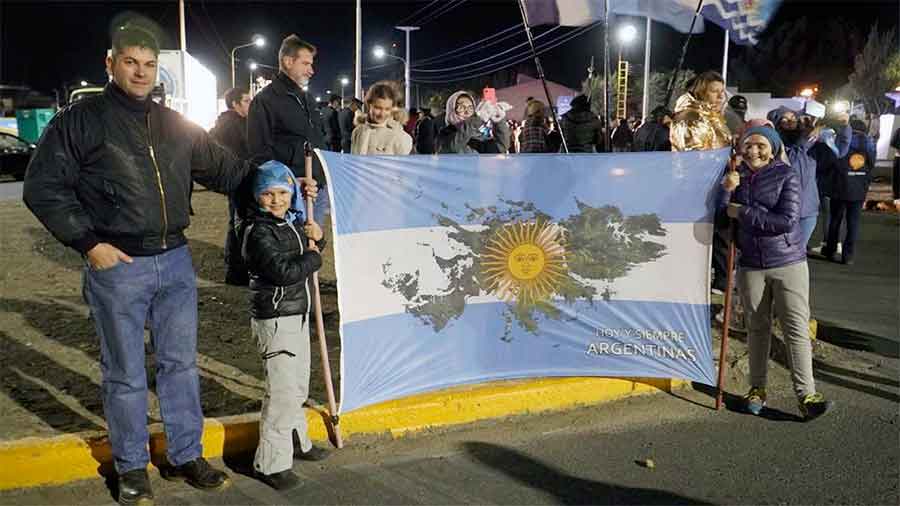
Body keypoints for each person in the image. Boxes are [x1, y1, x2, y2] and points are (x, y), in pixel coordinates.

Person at [21, 25, 303, 505]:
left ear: (157, 71)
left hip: (175, 261)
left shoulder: (175, 125)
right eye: (131, 62)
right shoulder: (80, 121)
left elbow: (230, 172)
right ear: (111, 64)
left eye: (149, 65)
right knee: (125, 373)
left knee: (180, 366)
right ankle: (131, 467)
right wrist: (89, 244)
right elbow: (42, 187)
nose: (140, 72)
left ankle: (185, 454)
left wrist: (283, 183)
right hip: (118, 266)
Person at [719, 125, 831, 421]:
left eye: (761, 145)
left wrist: (741, 212)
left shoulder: (786, 175)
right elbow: (720, 218)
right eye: (748, 145)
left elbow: (786, 221)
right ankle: (756, 389)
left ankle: (807, 394)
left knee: (795, 329)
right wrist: (725, 192)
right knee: (756, 329)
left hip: (788, 263)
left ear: (773, 148)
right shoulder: (734, 176)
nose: (754, 151)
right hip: (751, 266)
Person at [242, 160, 329, 490]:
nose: (276, 199)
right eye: (268, 193)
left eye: (282, 192)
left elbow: (304, 251)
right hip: (277, 320)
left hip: (298, 314)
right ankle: (270, 463)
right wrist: (315, 258)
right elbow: (284, 271)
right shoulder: (258, 231)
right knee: (280, 392)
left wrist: (317, 239)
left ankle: (296, 440)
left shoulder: (290, 222)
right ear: (257, 196)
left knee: (298, 387)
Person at [248, 34, 329, 222]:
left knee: (313, 245)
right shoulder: (265, 100)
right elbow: (260, 153)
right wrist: (288, 183)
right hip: (291, 194)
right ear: (288, 61)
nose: (312, 71)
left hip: (316, 189)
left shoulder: (306, 98)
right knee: (291, 246)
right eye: (306, 64)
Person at [210, 87, 252, 286]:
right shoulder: (235, 125)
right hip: (240, 178)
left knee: (236, 221)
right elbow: (247, 150)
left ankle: (235, 268)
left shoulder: (224, 122)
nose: (250, 105)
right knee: (240, 222)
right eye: (246, 101)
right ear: (235, 104)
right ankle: (237, 271)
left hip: (234, 178)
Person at [822, 119, 876, 265]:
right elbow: (871, 164)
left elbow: (833, 160)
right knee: (854, 223)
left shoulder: (841, 139)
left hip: (840, 184)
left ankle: (831, 250)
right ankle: (848, 255)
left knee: (835, 219)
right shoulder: (869, 142)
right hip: (859, 186)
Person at [670, 70, 732, 151]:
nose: (720, 96)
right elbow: (694, 157)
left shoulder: (710, 115)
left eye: (722, 91)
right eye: (714, 91)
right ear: (701, 93)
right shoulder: (691, 118)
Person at [435, 90, 510, 154]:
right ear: (451, 109)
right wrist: (476, 119)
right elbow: (452, 147)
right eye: (461, 107)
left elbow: (501, 147)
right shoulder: (445, 134)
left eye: (470, 108)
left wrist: (499, 121)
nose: (467, 112)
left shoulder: (475, 136)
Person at [351, 81, 413, 155]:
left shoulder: (401, 138)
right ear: (369, 105)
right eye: (378, 108)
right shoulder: (357, 131)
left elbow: (402, 166)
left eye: (387, 109)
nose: (382, 114)